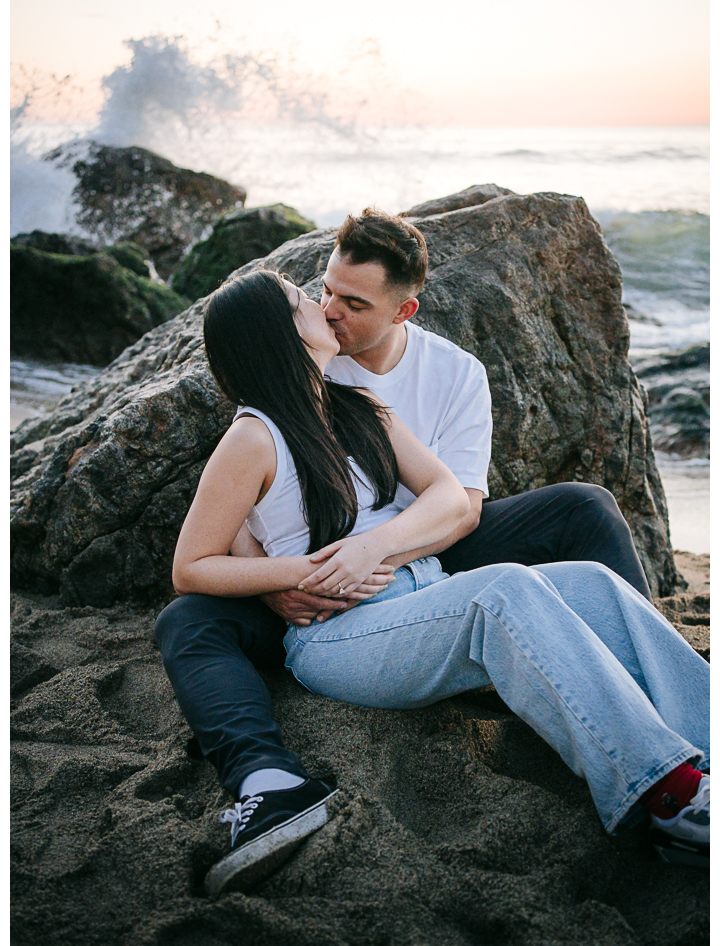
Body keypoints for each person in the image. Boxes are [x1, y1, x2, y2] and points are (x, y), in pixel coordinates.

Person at [159, 269, 709, 897]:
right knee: (503, 589)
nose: (321, 305)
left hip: (422, 594)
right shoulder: (252, 437)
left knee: (592, 584)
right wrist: (309, 572)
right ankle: (666, 797)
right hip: (339, 635)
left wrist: (374, 546)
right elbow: (191, 567)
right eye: (301, 300)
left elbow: (449, 492)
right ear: (280, 334)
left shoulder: (358, 409)